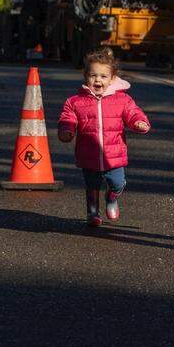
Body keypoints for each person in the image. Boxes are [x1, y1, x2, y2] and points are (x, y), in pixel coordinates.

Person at [58, 49, 151, 227]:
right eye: (93, 75)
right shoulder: (75, 101)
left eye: (103, 76)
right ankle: (92, 213)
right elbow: (67, 117)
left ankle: (111, 197)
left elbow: (133, 113)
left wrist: (139, 122)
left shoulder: (122, 99)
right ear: (86, 76)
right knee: (92, 186)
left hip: (114, 155)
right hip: (88, 153)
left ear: (112, 78)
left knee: (117, 182)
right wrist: (67, 130)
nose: (98, 80)